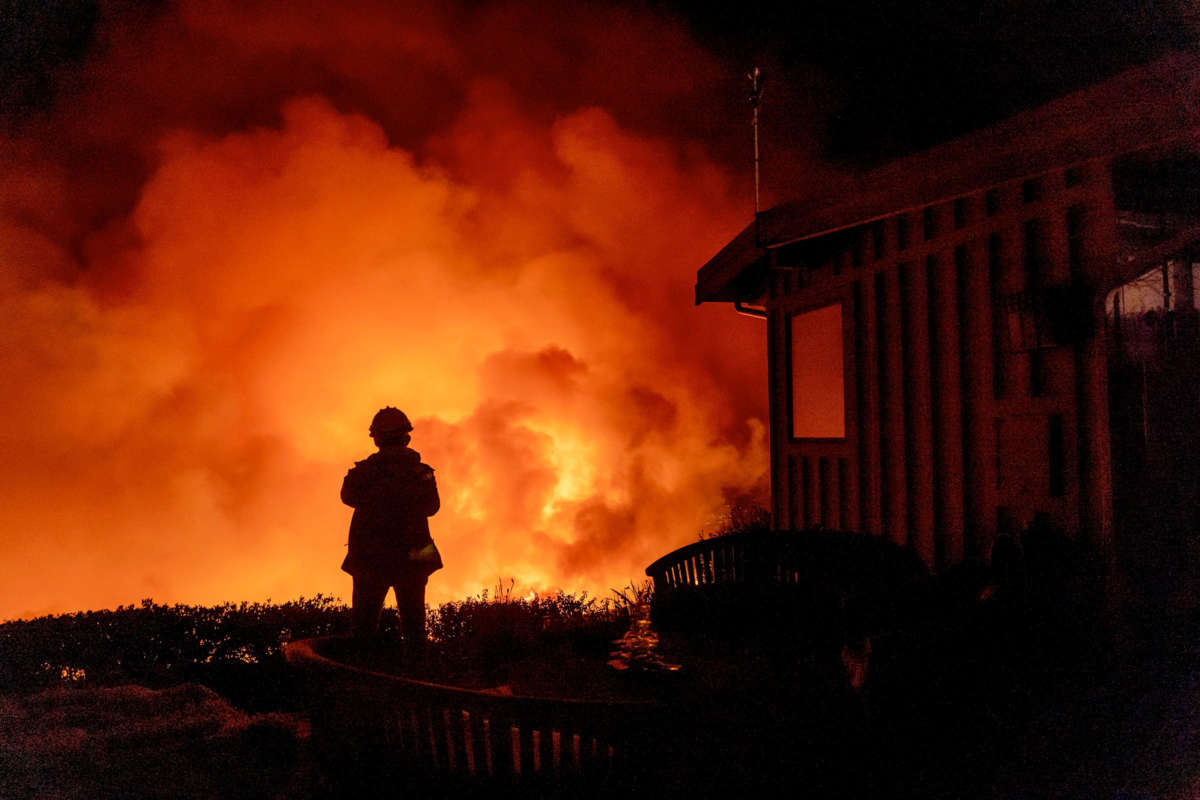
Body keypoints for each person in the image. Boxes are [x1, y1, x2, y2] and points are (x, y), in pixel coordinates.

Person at [340, 407, 442, 645]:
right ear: (406, 437)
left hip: (370, 558)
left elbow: (347, 497)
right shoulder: (421, 472)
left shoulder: (363, 472)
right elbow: (432, 507)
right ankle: (416, 676)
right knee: (415, 628)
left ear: (376, 439)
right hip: (413, 558)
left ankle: (363, 676)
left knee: (363, 630)